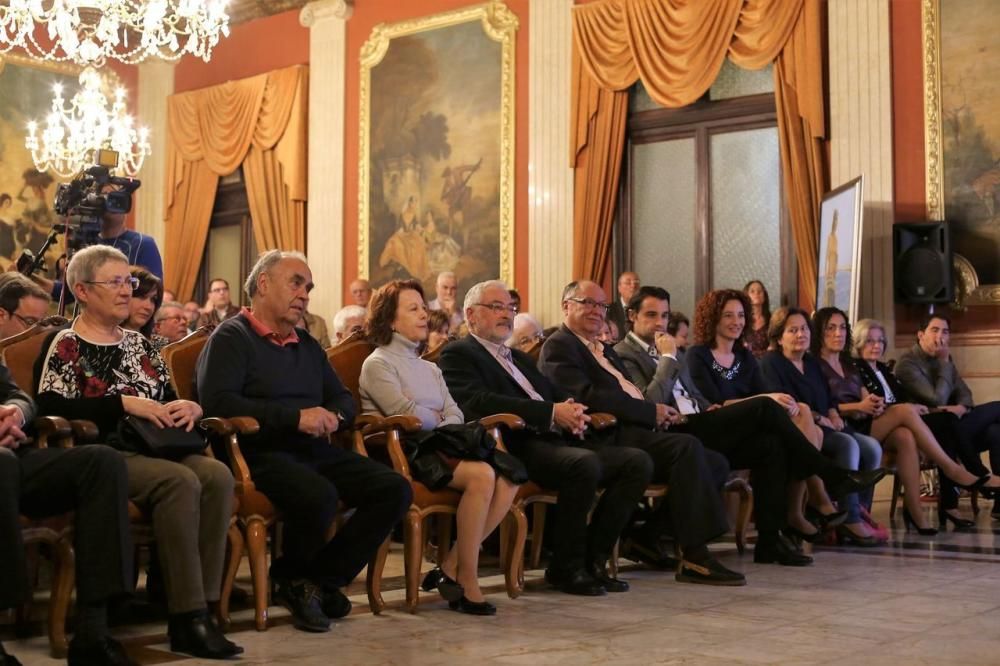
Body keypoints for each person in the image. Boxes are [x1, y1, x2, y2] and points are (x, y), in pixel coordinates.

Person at [33, 246, 240, 659]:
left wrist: (191, 408)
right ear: (82, 290)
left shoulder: (142, 345)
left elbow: (166, 398)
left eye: (128, 281)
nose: (127, 291)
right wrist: (122, 403)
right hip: (105, 454)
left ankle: (205, 602)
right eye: (115, 282)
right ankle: (187, 617)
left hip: (158, 444)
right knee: (179, 481)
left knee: (217, 476)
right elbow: (51, 407)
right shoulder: (65, 344)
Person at [196, 250, 411, 632]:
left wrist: (334, 417)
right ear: (263, 284)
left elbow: (343, 397)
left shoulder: (306, 344)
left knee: (393, 487)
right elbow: (220, 403)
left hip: (312, 448)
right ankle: (296, 579)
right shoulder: (231, 337)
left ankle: (316, 579)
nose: (305, 294)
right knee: (319, 494)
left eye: (308, 288)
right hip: (256, 451)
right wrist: (295, 417)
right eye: (296, 283)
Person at [614, 286, 883, 565]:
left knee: (772, 446)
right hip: (670, 431)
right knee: (765, 405)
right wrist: (668, 358)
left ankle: (769, 541)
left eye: (664, 315)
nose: (660, 323)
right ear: (632, 316)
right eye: (651, 315)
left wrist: (708, 406)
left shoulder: (710, 354)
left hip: (699, 421)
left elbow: (694, 396)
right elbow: (649, 402)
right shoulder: (627, 353)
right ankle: (831, 476)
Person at [441, 280, 652, 595]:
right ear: (471, 315)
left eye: (510, 308)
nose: (506, 315)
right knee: (584, 464)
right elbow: (477, 401)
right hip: (514, 443)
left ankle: (594, 562)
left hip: (556, 440)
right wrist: (551, 414)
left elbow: (554, 394)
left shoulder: (519, 357)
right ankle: (565, 567)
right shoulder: (459, 353)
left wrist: (574, 413)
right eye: (496, 307)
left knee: (636, 462)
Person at [538, 280, 746, 586]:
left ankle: (646, 537)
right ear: (567, 306)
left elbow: (631, 392)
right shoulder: (560, 345)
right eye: (588, 303)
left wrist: (656, 414)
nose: (597, 311)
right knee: (685, 447)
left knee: (713, 461)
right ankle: (695, 555)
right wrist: (651, 412)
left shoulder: (604, 349)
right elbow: (591, 396)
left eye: (602, 305)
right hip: (603, 431)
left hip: (634, 425)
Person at [360, 279, 519, 615]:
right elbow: (407, 416)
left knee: (509, 477)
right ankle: (468, 581)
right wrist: (436, 417)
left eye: (423, 307)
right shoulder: (378, 364)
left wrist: (438, 418)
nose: (424, 314)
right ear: (390, 319)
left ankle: (449, 566)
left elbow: (454, 412)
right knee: (482, 476)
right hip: (405, 451)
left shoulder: (430, 367)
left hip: (441, 444)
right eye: (413, 309)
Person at [0, 275, 135, 666]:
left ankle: (94, 628)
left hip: (16, 453)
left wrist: (13, 415)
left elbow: (17, 395)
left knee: (100, 461)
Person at [686, 290, 849, 545]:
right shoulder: (698, 355)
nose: (736, 321)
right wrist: (764, 401)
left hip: (746, 431)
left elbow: (764, 395)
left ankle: (771, 539)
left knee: (787, 429)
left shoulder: (744, 357)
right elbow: (711, 403)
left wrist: (780, 403)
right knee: (775, 411)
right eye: (728, 315)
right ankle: (823, 487)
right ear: (713, 319)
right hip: (713, 429)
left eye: (740, 315)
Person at [759, 307, 885, 546]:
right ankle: (848, 517)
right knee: (847, 445)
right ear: (778, 336)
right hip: (793, 427)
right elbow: (783, 403)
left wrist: (832, 413)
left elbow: (827, 398)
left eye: (804, 329)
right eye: (792, 330)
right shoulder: (771, 363)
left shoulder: (810, 362)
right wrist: (819, 417)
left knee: (871, 447)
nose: (800, 334)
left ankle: (860, 511)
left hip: (825, 423)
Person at [851, 318, 988, 530]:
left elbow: (963, 395)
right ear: (859, 343)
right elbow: (874, 405)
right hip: (865, 428)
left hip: (894, 426)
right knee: (918, 414)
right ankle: (952, 469)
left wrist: (916, 408)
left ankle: (916, 513)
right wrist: (910, 408)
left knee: (907, 436)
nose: (876, 345)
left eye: (880, 341)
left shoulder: (883, 369)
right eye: (869, 341)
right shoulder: (856, 368)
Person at [895, 314, 1000, 519]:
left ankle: (998, 501)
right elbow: (935, 399)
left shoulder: (946, 360)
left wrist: (961, 407)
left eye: (945, 332)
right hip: (929, 431)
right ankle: (981, 477)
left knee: (996, 432)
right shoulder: (907, 364)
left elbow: (965, 394)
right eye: (934, 330)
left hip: (955, 424)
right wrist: (944, 364)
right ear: (920, 335)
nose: (940, 337)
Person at [43, 192, 163, 301]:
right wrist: (29, 278)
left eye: (115, 197)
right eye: (104, 196)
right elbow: (69, 293)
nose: (110, 202)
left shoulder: (143, 243)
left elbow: (153, 291)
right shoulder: (85, 243)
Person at [122, 266, 163, 344]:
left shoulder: (160, 345)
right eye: (142, 297)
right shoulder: (105, 342)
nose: (148, 307)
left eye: (153, 299)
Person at [743, 280, 771, 358]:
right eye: (752, 291)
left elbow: (775, 345)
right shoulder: (741, 319)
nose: (756, 294)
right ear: (746, 296)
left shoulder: (772, 320)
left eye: (760, 291)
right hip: (745, 362)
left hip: (767, 362)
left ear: (764, 296)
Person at [606, 271, 639, 337]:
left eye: (636, 282)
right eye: (628, 283)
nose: (633, 286)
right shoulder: (609, 310)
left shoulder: (643, 310)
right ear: (619, 288)